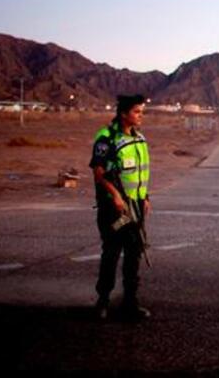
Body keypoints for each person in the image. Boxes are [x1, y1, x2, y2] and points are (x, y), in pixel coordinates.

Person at [89, 94, 152, 321]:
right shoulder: (107, 138)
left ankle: (130, 303)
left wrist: (145, 198)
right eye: (137, 111)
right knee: (112, 252)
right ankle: (102, 301)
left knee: (134, 253)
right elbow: (99, 173)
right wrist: (116, 196)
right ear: (124, 114)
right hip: (114, 209)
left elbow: (140, 174)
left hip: (135, 207)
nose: (141, 116)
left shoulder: (139, 139)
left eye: (142, 111)